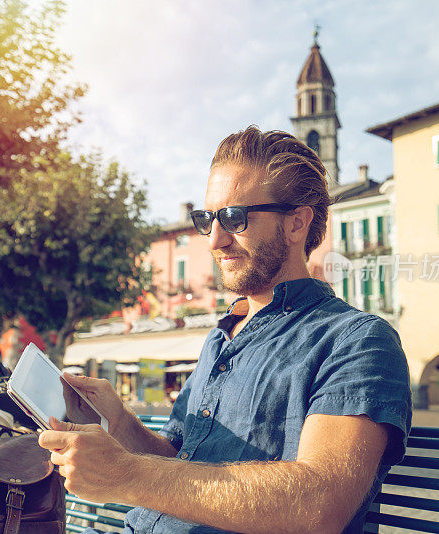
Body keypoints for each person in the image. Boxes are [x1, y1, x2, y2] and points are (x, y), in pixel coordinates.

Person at [38, 126, 412, 534]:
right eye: (207, 219)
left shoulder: (356, 340)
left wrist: (128, 475)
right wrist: (119, 421)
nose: (215, 240)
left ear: (296, 224)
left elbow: (318, 504)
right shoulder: (221, 338)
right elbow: (177, 459)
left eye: (234, 217)